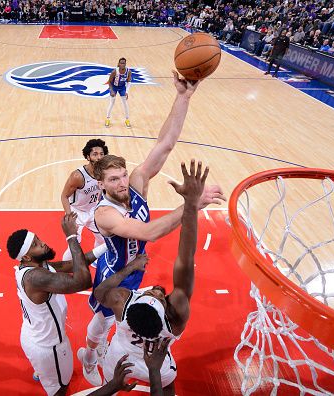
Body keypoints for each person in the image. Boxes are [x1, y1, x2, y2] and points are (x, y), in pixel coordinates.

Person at [77, 73, 225, 387]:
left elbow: (165, 144)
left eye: (122, 176)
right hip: (115, 271)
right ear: (101, 185)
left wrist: (183, 98)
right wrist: (191, 205)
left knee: (120, 321)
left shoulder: (137, 183)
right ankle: (89, 356)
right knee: (102, 321)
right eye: (113, 181)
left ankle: (96, 350)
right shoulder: (105, 213)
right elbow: (149, 233)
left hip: (136, 268)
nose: (121, 184)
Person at [94, 159, 208, 395]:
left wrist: (127, 269)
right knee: (168, 386)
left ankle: (111, 386)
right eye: (159, 294)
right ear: (166, 308)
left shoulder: (122, 302)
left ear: (133, 301)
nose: (155, 288)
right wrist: (190, 205)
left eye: (151, 293)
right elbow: (186, 258)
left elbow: (99, 293)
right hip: (157, 367)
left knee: (109, 385)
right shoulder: (175, 317)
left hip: (119, 358)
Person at [7, 213, 107, 396]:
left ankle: (43, 372)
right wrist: (71, 237)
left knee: (48, 373)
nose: (42, 243)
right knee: (61, 388)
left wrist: (106, 246)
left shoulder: (36, 266)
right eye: (36, 245)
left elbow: (73, 264)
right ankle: (50, 377)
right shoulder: (36, 277)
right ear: (27, 257)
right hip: (49, 346)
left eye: (38, 239)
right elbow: (83, 280)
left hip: (32, 334)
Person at [60, 139, 108, 263]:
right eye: (95, 154)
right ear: (88, 156)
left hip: (92, 210)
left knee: (104, 238)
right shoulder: (78, 176)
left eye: (102, 154)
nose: (99, 157)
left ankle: (96, 260)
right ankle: (63, 269)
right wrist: (70, 217)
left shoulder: (103, 173)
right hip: (76, 212)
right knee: (74, 245)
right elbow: (64, 196)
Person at [88, 340, 169, 395]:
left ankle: (88, 357)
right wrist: (154, 370)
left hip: (118, 352)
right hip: (120, 351)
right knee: (168, 383)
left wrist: (113, 386)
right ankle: (88, 357)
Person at [105, 57, 132, 128]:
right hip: (114, 87)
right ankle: (107, 119)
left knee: (125, 103)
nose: (123, 64)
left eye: (124, 63)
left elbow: (129, 82)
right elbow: (109, 82)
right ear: (119, 64)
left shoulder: (128, 71)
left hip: (122, 87)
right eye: (121, 63)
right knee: (112, 103)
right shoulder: (114, 72)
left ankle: (127, 120)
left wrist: (127, 91)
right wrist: (111, 90)